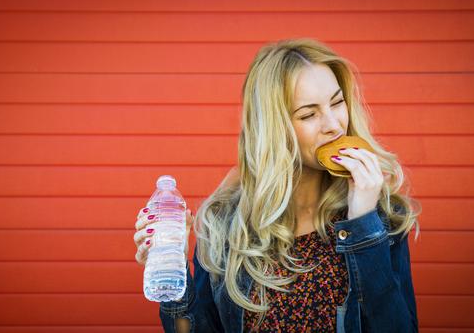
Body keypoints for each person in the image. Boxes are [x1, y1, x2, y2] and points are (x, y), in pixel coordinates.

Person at [134, 38, 421, 332]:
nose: (334, 124)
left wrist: (363, 224)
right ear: (273, 130)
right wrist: (173, 272)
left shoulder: (379, 214)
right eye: (309, 114)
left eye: (337, 102)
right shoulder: (223, 224)